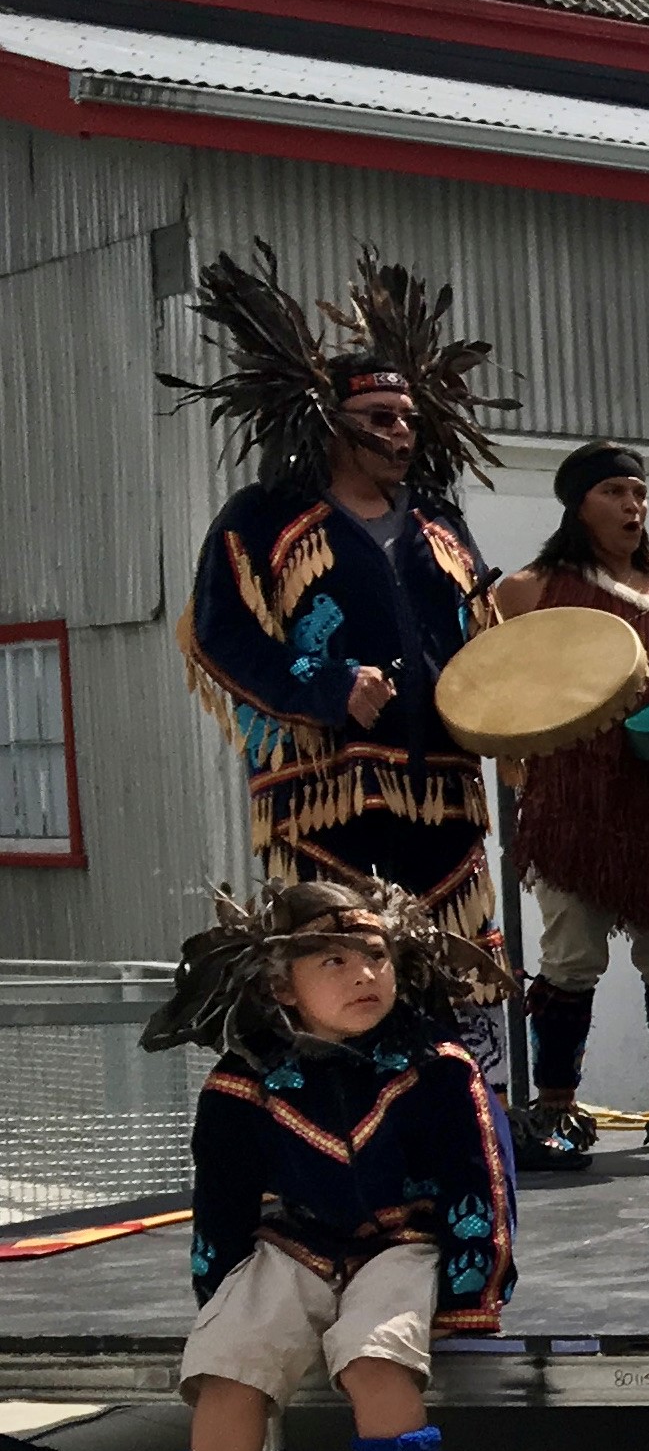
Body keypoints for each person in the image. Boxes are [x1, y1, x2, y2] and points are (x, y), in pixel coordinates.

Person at [139, 877, 515, 1451]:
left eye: (375, 956)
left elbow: (477, 1180)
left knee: (377, 1356)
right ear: (281, 983)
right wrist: (223, 1296)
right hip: (292, 1247)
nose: (363, 975)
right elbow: (223, 1201)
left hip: (400, 1247)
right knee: (229, 1365)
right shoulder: (243, 1083)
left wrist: (473, 1290)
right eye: (333, 962)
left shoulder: (436, 1067)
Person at [169, 245, 510, 964]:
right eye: (381, 417)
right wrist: (327, 687)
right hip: (328, 799)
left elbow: (479, 633)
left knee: (457, 987)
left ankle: (467, 1084)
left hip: (446, 796)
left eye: (410, 418)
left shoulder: (438, 521)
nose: (401, 434)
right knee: (343, 980)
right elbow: (217, 634)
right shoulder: (263, 517)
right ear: (331, 424)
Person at [487, 444, 649, 1165]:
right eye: (613, 491)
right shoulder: (526, 592)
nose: (634, 505)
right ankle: (555, 1112)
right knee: (569, 958)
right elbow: (497, 694)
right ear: (577, 503)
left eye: (639, 491)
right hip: (571, 805)